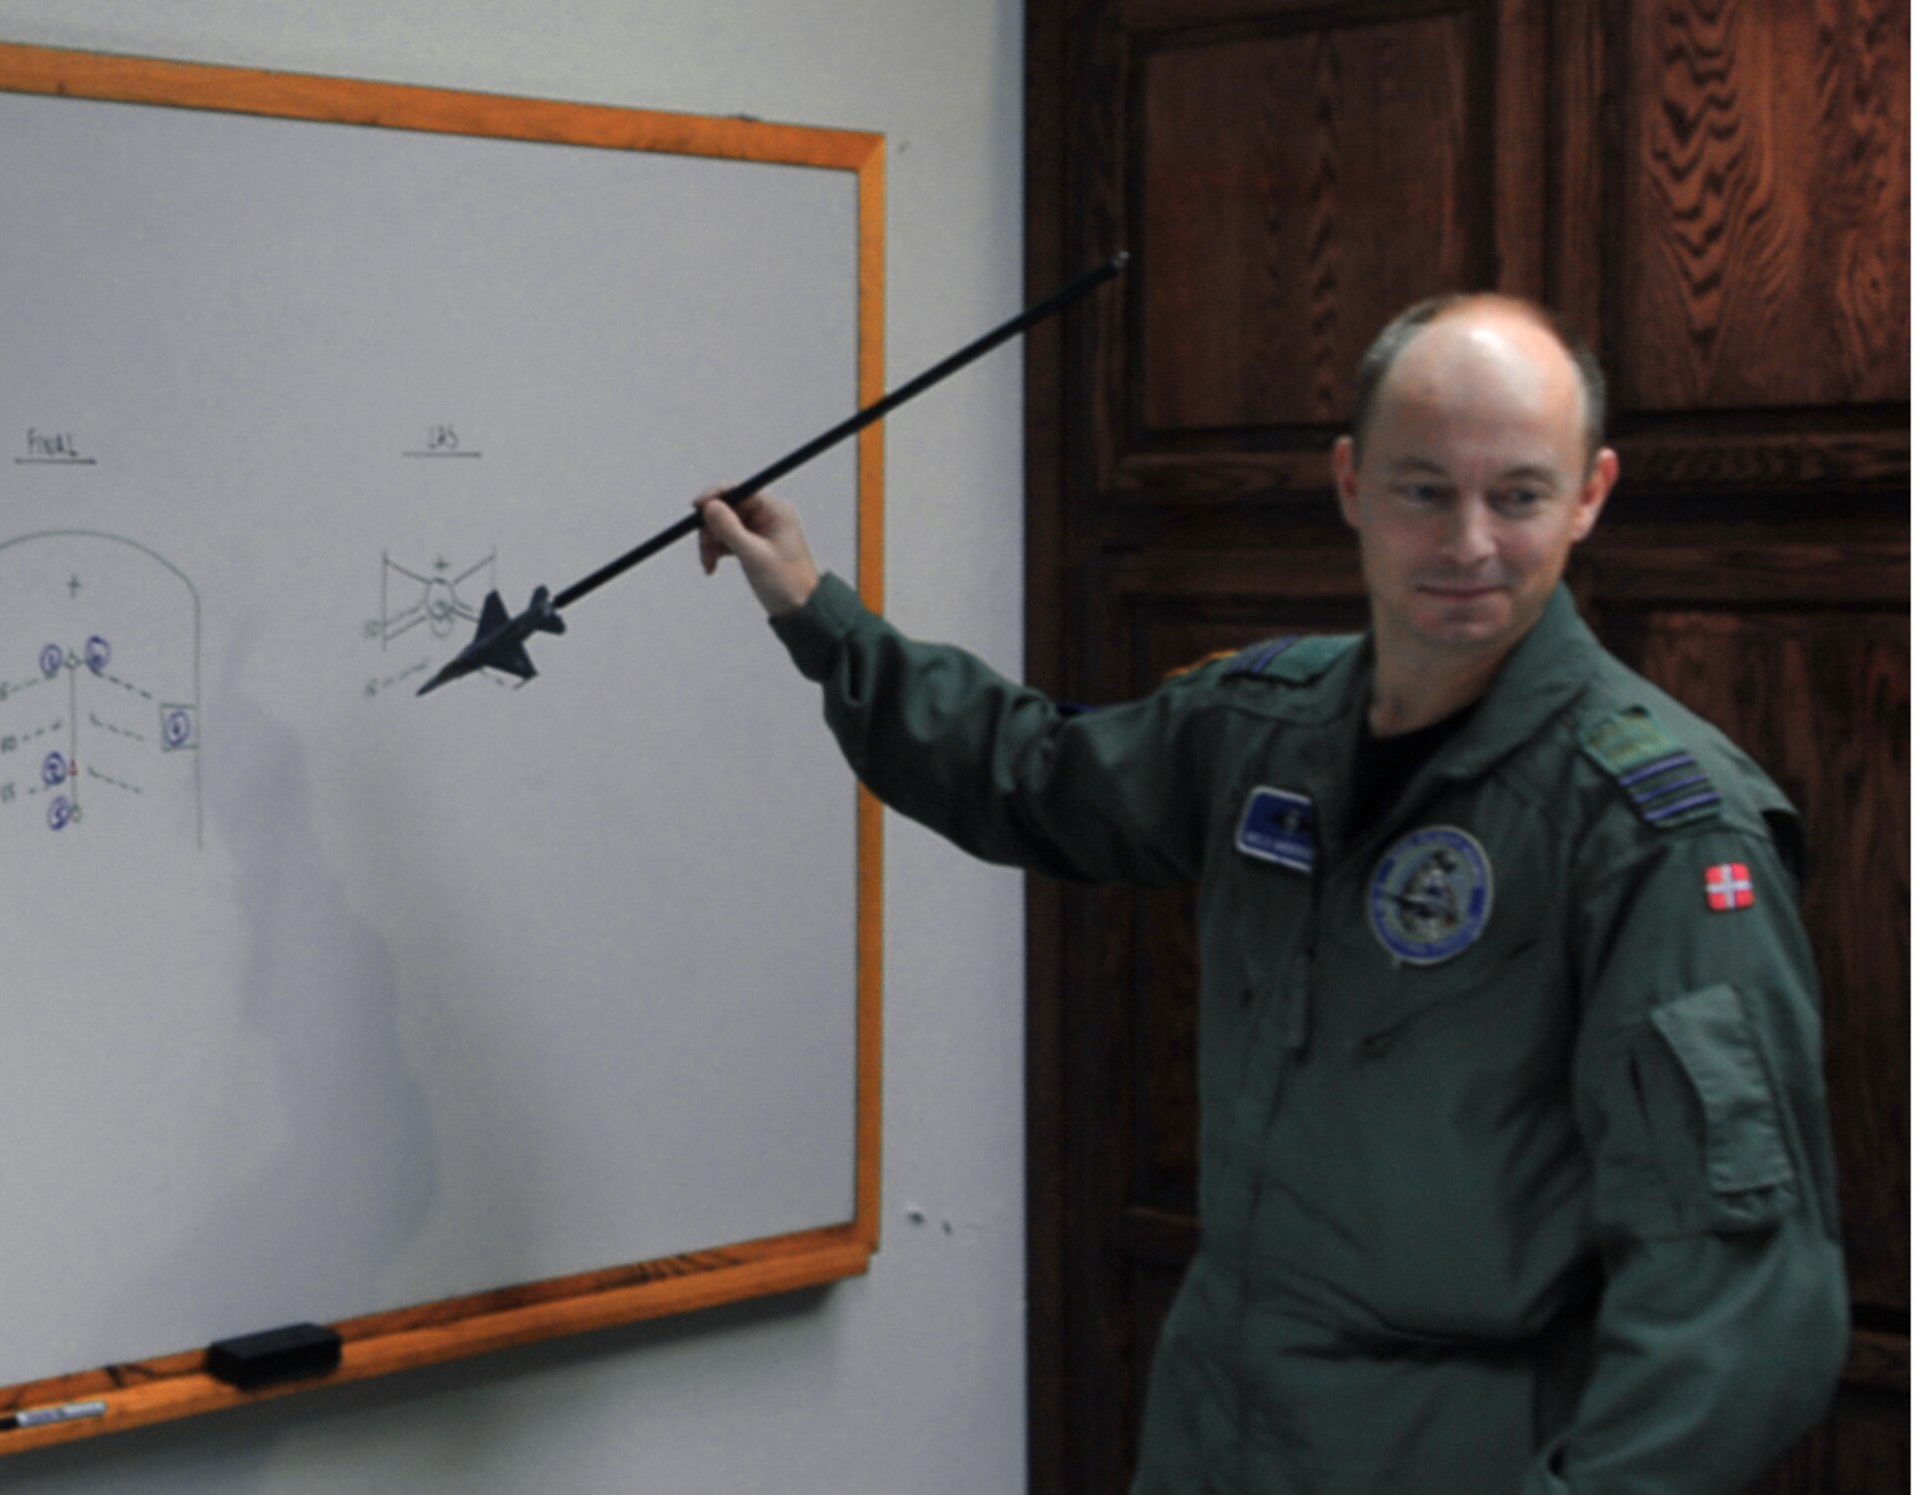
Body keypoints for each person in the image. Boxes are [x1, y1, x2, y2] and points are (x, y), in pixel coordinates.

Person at [696, 294, 1848, 1493]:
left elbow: (1743, 1304)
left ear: (1589, 494)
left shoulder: (1649, 827)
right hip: (1223, 1415)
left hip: (1459, 1444)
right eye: (1420, 489)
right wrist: (816, 611)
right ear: (1349, 483)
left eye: (1515, 494)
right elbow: (1031, 774)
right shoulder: (1268, 724)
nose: (1466, 542)